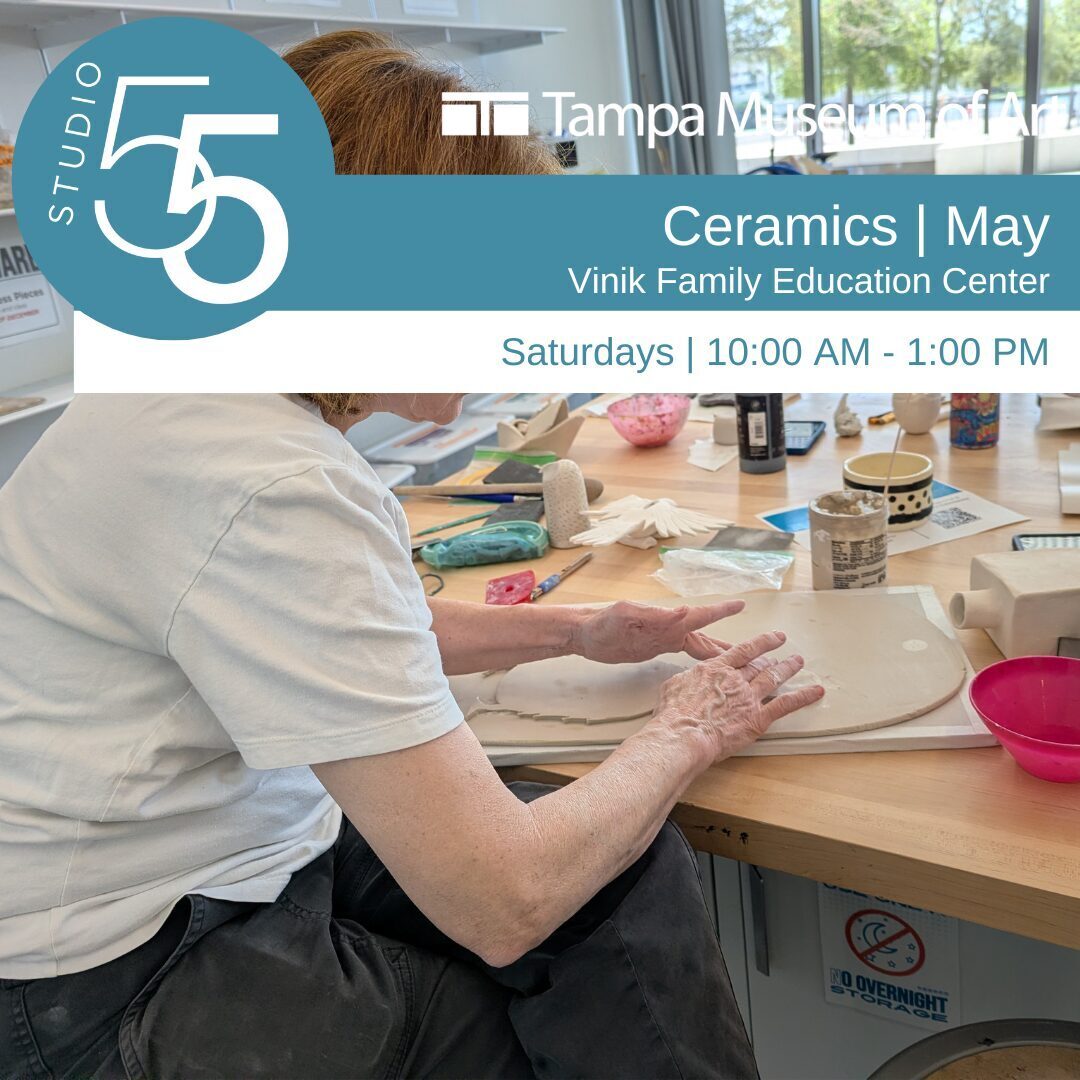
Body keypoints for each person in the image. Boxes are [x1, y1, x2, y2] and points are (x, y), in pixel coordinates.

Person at [0, 35, 824, 1080]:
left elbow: (358, 632)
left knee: (623, 873)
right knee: (502, 1011)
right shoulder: (264, 476)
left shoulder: (204, 393)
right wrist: (686, 732)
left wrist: (580, 629)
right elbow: (502, 898)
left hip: (237, 848)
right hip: (99, 966)